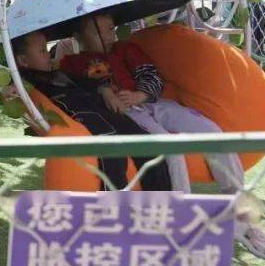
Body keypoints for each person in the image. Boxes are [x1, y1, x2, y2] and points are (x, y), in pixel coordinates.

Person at [61, 13, 265, 260]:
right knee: (170, 149)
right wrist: (103, 90)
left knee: (211, 132)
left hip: (154, 103)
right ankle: (182, 222)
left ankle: (241, 216)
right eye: (98, 31)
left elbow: (151, 75)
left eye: (111, 28)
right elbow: (76, 90)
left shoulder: (126, 49)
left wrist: (140, 95)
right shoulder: (71, 62)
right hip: (127, 115)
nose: (108, 35)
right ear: (78, 37)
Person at [11, 31, 173, 192]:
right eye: (42, 51)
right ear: (23, 61)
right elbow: (12, 86)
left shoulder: (56, 74)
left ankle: (160, 201)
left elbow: (86, 82)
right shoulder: (27, 81)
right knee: (112, 150)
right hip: (87, 118)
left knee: (148, 146)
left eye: (46, 49)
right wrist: (10, 88)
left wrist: (105, 89)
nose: (48, 55)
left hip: (102, 111)